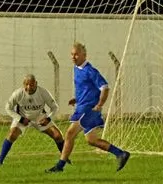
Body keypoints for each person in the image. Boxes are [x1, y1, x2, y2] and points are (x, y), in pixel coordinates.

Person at [46, 42, 131, 173]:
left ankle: (60, 166)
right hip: (82, 107)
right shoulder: (76, 69)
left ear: (84, 55)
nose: (73, 57)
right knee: (92, 140)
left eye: (76, 54)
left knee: (69, 134)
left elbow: (105, 87)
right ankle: (120, 154)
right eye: (72, 54)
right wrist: (77, 99)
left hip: (88, 110)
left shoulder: (90, 71)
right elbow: (86, 89)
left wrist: (99, 104)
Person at [0, 74, 64, 166]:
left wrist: (48, 119)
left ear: (36, 83)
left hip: (39, 117)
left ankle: (65, 159)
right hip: (22, 117)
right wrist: (20, 119)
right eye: (26, 84)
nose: (29, 87)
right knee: (12, 134)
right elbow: (8, 108)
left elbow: (55, 107)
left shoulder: (43, 92)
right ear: (23, 84)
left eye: (31, 84)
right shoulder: (18, 93)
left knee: (57, 135)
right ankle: (0, 161)